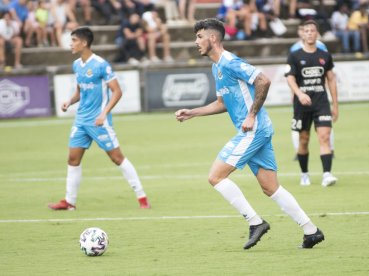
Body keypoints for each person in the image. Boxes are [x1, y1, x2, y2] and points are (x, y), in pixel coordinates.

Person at [175, 18, 324, 250]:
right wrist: (193, 112)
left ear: (212, 38)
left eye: (199, 36)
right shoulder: (217, 67)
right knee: (270, 187)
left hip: (253, 130)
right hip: (256, 131)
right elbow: (222, 103)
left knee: (215, 176)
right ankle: (311, 230)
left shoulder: (230, 61)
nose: (196, 42)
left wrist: (251, 115)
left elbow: (263, 80)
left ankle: (256, 222)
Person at [48, 27, 150, 210]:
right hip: (81, 120)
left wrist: (104, 114)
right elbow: (80, 91)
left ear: (84, 43)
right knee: (73, 159)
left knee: (117, 158)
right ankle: (69, 202)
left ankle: (142, 197)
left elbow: (117, 91)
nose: (70, 44)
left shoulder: (101, 64)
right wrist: (70, 101)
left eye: (74, 40)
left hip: (98, 121)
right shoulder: (76, 65)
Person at [285, 20, 338, 187]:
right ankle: (304, 174)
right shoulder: (295, 55)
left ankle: (327, 174)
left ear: (317, 34)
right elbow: (290, 78)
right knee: (304, 140)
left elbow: (331, 79)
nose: (309, 33)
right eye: (306, 30)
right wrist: (299, 93)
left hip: (321, 102)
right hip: (302, 105)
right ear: (302, 34)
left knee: (324, 137)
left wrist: (335, 104)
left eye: (312, 30)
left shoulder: (325, 55)